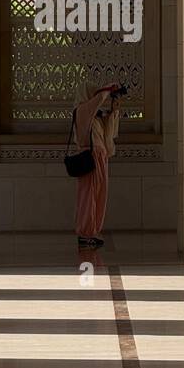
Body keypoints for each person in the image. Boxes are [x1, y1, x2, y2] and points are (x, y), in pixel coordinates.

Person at [71, 81, 122, 248]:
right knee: (88, 197)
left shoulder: (95, 116)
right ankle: (85, 233)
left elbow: (110, 133)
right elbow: (98, 99)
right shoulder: (81, 111)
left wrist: (114, 109)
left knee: (100, 195)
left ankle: (93, 230)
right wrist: (108, 89)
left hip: (100, 157)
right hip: (89, 158)